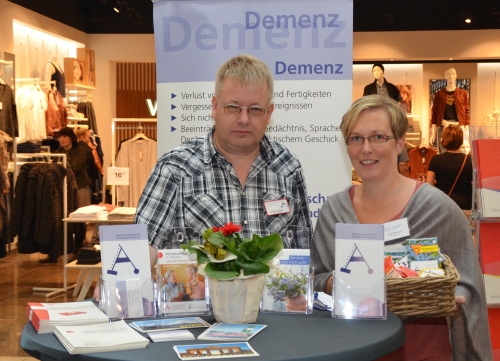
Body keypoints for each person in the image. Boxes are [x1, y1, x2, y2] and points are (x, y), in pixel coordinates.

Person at [311, 95, 492, 360]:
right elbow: (314, 280)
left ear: (399, 144)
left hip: (421, 352)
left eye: (378, 137)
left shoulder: (437, 208)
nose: (366, 148)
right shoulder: (333, 211)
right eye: (356, 138)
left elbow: (469, 285)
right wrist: (334, 282)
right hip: (351, 349)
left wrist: (445, 297)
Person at [135, 54, 312, 266]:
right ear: (214, 106)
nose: (244, 119)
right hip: (200, 298)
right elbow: (143, 247)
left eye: (255, 109)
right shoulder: (176, 168)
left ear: (269, 112)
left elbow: (303, 252)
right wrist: (123, 283)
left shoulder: (287, 167)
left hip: (271, 299)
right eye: (233, 107)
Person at [54, 127, 91, 259]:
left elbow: (74, 168)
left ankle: (78, 248)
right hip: (62, 189)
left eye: (64, 136)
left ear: (71, 137)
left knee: (80, 217)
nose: (62, 139)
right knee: (63, 217)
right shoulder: (58, 152)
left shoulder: (80, 151)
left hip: (79, 186)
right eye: (60, 136)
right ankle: (63, 248)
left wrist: (61, 171)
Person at [426, 125, 473, 211]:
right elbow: (475, 183)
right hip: (465, 204)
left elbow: (429, 185)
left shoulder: (436, 160)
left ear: (443, 139)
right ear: (461, 140)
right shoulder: (469, 160)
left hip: (443, 203)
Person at [430, 67, 470, 154]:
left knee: (460, 150)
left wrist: (467, 131)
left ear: (456, 76)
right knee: (443, 150)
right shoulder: (439, 94)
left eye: (453, 74)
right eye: (448, 74)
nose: (451, 76)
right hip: (443, 125)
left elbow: (466, 111)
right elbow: (434, 112)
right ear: (445, 76)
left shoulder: (463, 94)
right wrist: (433, 132)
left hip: (458, 126)